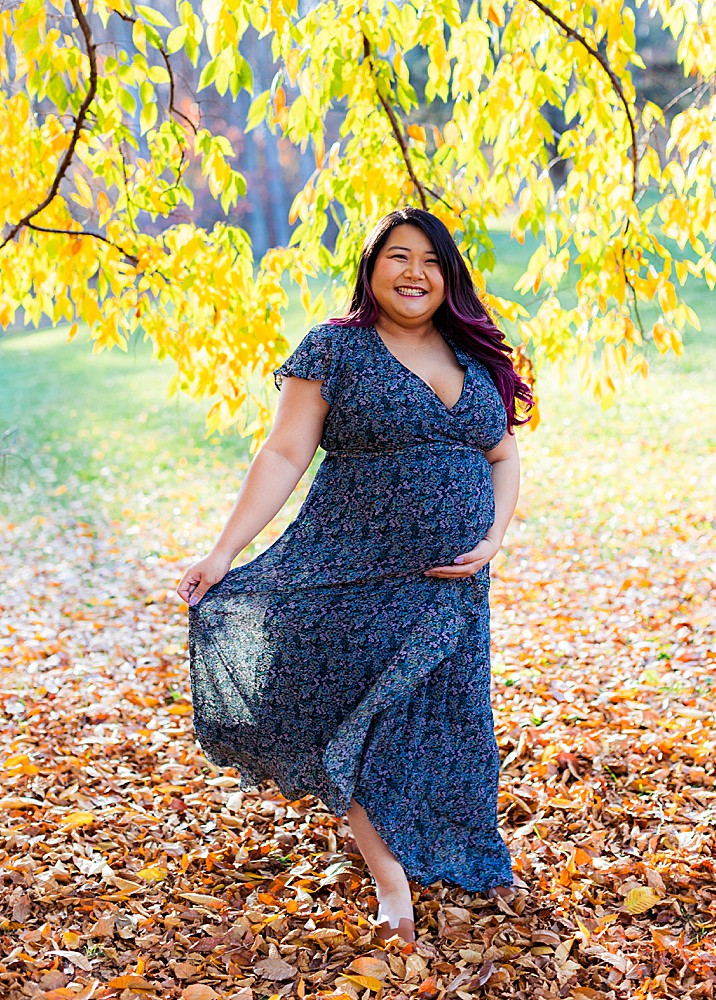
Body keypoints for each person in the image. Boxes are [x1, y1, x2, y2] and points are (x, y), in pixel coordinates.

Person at [177, 207, 536, 944]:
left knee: (445, 726)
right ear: (371, 270)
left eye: (432, 261)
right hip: (352, 567)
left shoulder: (473, 355)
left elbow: (503, 456)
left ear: (450, 276)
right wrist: (224, 551)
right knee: (357, 722)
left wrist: (495, 535)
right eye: (398, 257)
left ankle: (448, 849)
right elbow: (282, 454)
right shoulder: (336, 350)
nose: (415, 273)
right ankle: (391, 881)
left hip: (453, 584)